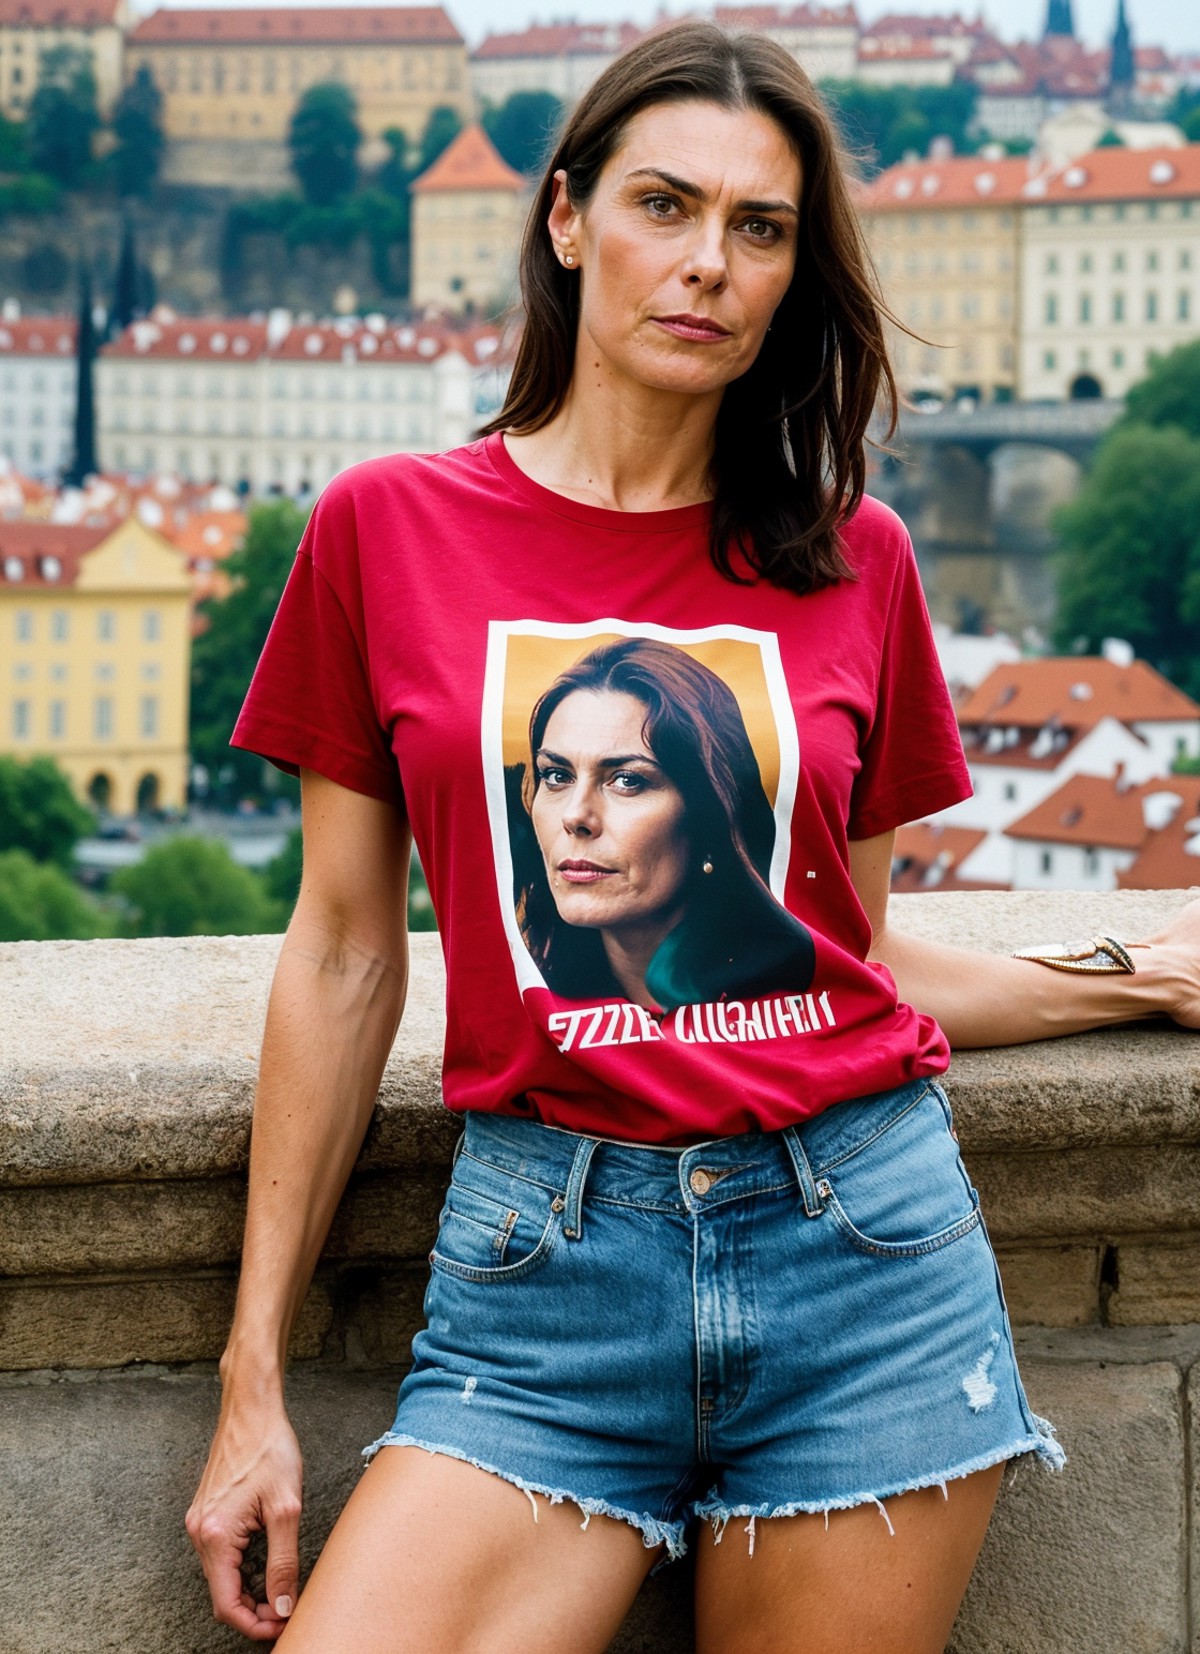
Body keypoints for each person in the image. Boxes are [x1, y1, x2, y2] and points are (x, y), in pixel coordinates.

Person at [186, 20, 1200, 1654]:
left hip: (860, 1253)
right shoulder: (385, 526)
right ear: (569, 215)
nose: (709, 262)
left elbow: (852, 962)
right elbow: (345, 950)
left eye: (761, 228)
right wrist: (255, 1375)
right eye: (666, 205)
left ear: (795, 275)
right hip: (545, 1275)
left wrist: (1131, 978)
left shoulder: (854, 556)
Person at [512, 635, 815, 1006]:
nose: (575, 816)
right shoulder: (530, 987)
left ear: (710, 813)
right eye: (557, 775)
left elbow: (875, 945)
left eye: (627, 780)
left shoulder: (792, 989)